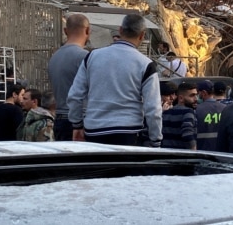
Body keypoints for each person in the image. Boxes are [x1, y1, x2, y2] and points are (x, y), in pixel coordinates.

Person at [67, 14, 163, 147]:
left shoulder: (92, 57)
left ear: (120, 30)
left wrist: (77, 125)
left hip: (94, 130)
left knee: (100, 168)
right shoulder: (145, 64)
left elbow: (75, 95)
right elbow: (153, 108)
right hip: (128, 132)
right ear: (142, 35)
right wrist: (155, 140)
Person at [48, 13, 90, 141]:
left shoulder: (54, 58)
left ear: (65, 31)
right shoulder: (85, 57)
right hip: (80, 121)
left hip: (59, 119)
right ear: (88, 30)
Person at [161, 82, 198, 150]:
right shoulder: (188, 112)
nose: (196, 99)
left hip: (166, 155)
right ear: (181, 98)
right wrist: (194, 151)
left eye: (196, 95)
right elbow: (187, 134)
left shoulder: (166, 113)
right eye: (192, 95)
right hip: (182, 157)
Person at [196, 80, 227, 151]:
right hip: (222, 152)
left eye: (198, 92)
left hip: (202, 150)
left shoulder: (197, 109)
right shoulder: (225, 108)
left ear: (204, 93)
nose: (197, 95)